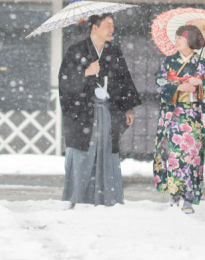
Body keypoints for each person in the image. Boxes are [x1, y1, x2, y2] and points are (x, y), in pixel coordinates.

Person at [58, 13, 142, 208]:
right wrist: (85, 72)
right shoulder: (76, 50)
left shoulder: (114, 51)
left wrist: (127, 107)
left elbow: (124, 80)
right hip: (82, 112)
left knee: (106, 152)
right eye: (108, 25)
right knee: (80, 152)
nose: (112, 29)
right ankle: (72, 197)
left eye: (113, 25)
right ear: (94, 27)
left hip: (107, 111)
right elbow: (65, 81)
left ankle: (107, 198)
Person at [153, 24, 205, 214]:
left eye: (179, 38)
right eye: (176, 38)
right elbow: (159, 81)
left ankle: (189, 199)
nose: (176, 41)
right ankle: (174, 194)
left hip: (194, 117)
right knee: (174, 156)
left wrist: (201, 83)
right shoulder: (169, 61)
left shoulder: (203, 64)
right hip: (175, 115)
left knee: (193, 158)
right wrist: (178, 88)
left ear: (189, 40)